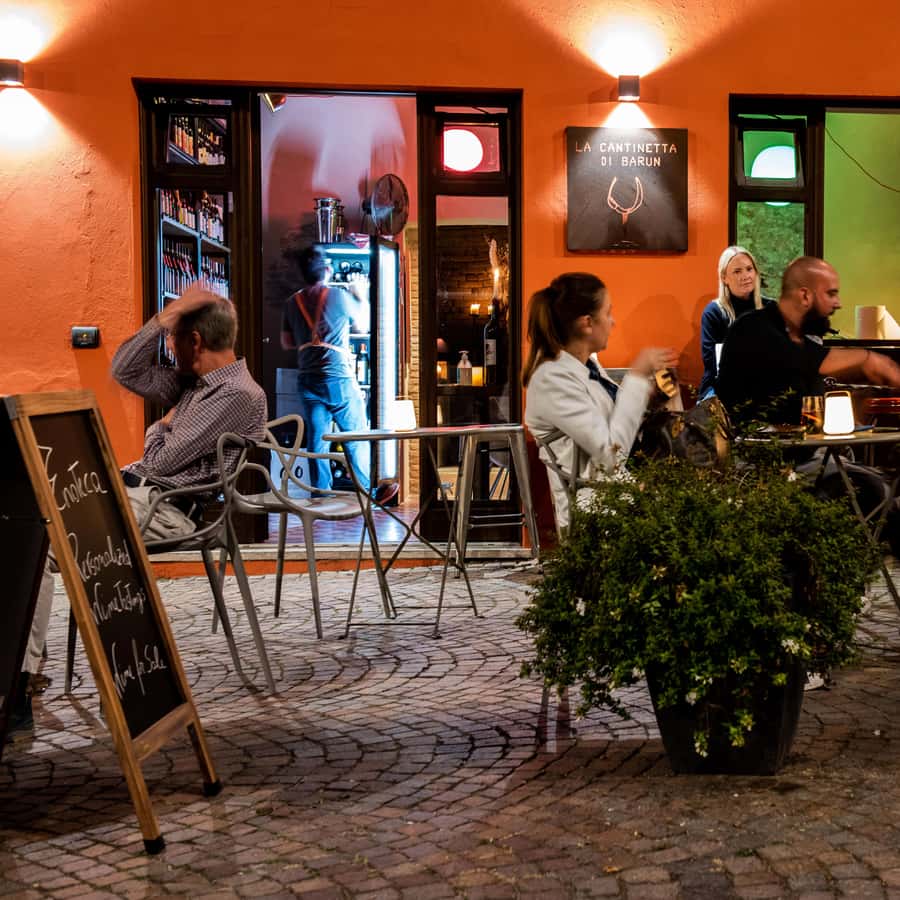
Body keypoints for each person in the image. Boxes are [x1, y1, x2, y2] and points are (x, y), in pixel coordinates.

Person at [10, 286, 268, 736]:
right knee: (27, 524)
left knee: (41, 539)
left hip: (166, 509)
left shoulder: (236, 394)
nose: (167, 347)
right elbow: (124, 369)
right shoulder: (194, 384)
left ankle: (19, 685)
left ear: (194, 342)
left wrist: (156, 429)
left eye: (172, 338)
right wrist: (164, 319)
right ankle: (19, 669)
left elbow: (161, 463)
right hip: (141, 494)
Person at [523, 272, 677, 532]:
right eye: (608, 313)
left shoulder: (586, 367)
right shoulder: (552, 379)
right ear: (587, 323)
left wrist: (649, 400)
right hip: (597, 505)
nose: (613, 322)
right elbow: (611, 455)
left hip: (622, 489)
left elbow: (613, 424)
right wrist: (637, 376)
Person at [717, 256, 900, 424]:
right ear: (805, 296)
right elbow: (804, 358)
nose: (838, 303)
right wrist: (867, 359)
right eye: (831, 294)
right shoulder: (751, 328)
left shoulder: (797, 337)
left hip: (805, 446)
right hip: (756, 449)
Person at [282, 246, 395, 501]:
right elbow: (364, 325)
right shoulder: (338, 296)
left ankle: (321, 495)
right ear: (327, 269)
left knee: (317, 440)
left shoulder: (292, 302)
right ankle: (366, 494)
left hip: (307, 379)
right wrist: (360, 294)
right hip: (337, 378)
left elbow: (287, 342)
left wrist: (308, 334)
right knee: (355, 436)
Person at [698, 246, 772, 400]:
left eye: (749, 269)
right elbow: (712, 364)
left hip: (763, 385)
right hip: (719, 387)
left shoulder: (770, 309)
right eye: (737, 271)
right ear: (724, 277)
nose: (746, 276)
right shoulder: (714, 312)